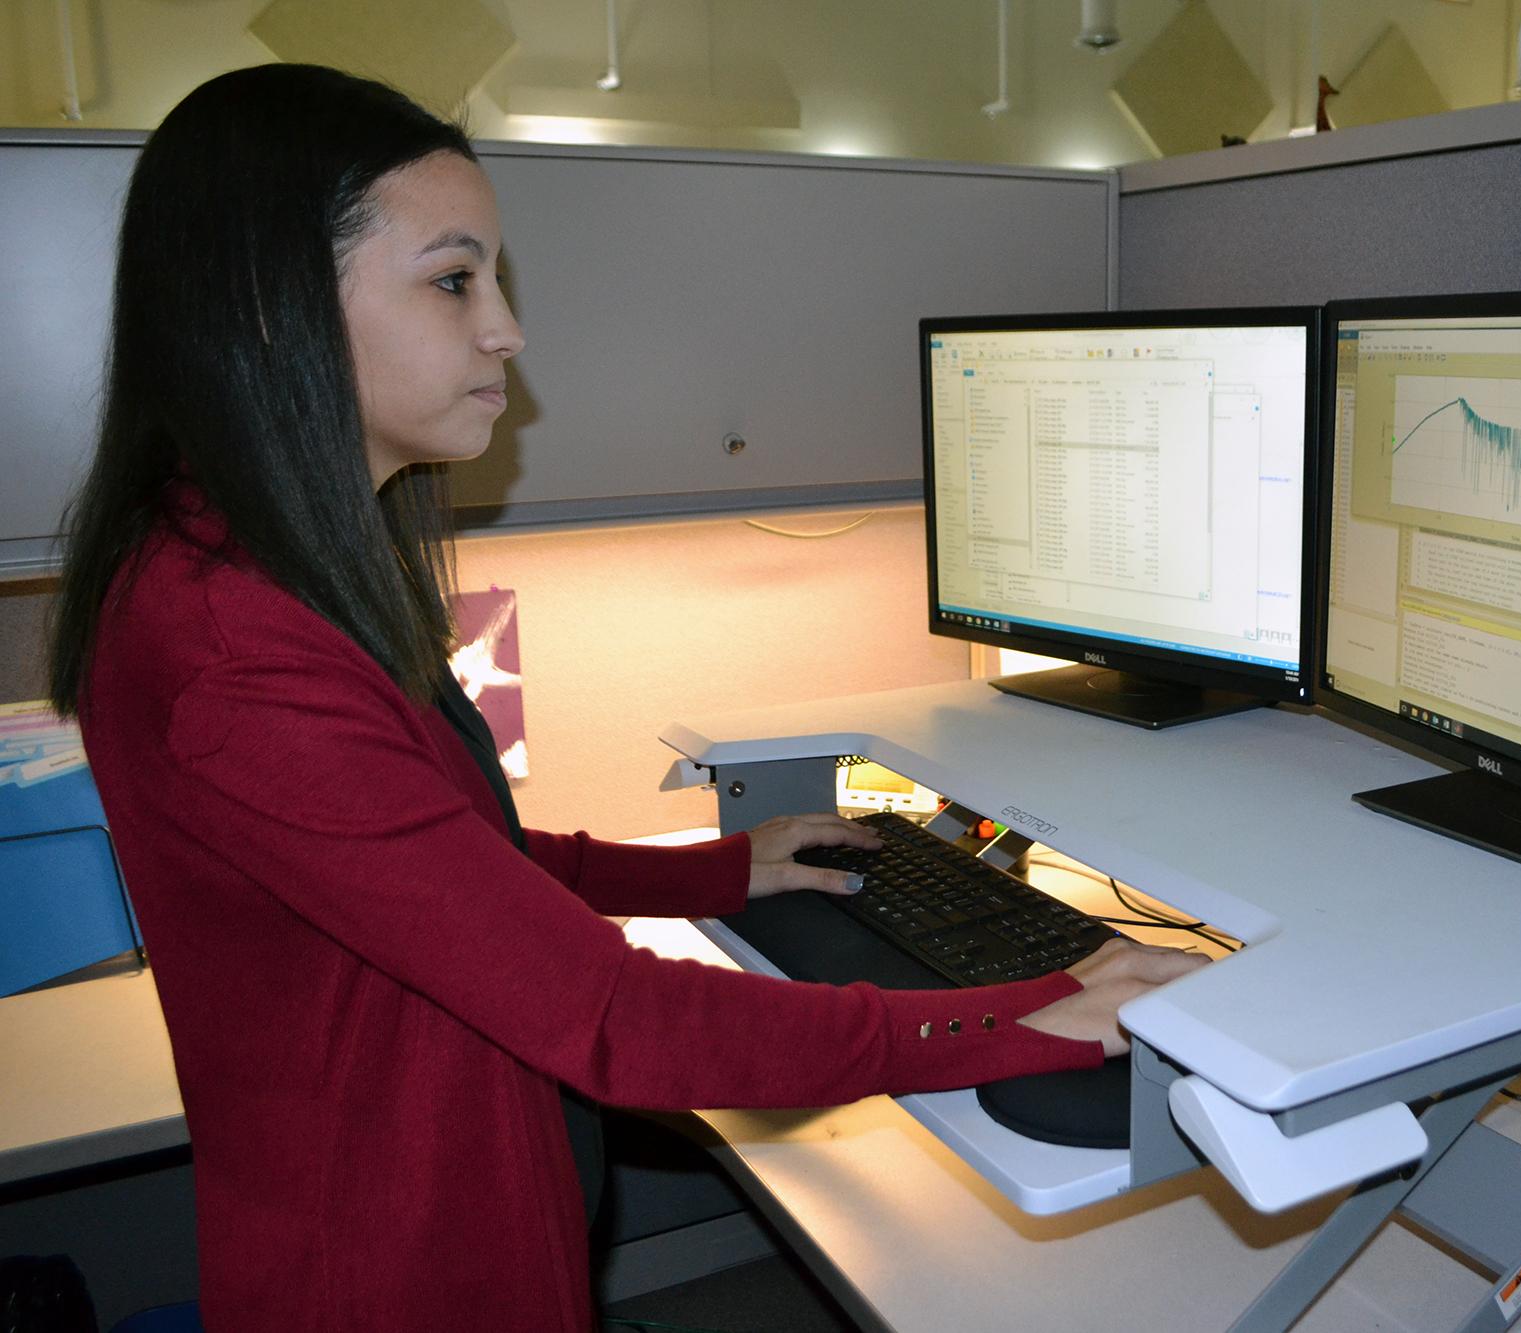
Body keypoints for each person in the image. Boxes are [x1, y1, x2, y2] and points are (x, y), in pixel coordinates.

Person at [46, 64, 1204, 1332]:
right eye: (453, 280)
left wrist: (713, 873)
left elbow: (437, 862)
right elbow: (615, 1020)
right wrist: (1021, 1012)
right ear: (271, 314)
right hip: (396, 1273)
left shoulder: (253, 563)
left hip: (440, 1217)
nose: (506, 329)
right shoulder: (232, 649)